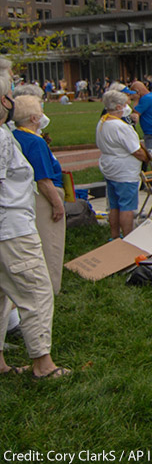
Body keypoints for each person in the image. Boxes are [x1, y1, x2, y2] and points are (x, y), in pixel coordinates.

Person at [0, 60, 70, 379]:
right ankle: (43, 365)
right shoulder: (3, 138)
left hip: (9, 227)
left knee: (3, 295)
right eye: (10, 90)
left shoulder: (7, 134)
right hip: (11, 230)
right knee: (36, 291)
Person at [10, 96, 66, 294]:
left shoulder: (14, 136)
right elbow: (43, 179)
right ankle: (51, 288)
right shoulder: (35, 142)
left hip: (26, 195)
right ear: (34, 118)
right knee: (51, 242)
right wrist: (57, 203)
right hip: (43, 196)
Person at [96, 90, 150, 239]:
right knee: (127, 206)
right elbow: (136, 150)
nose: (128, 107)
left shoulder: (103, 122)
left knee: (114, 206)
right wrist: (147, 158)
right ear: (119, 106)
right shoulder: (120, 127)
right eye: (126, 104)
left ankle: (115, 236)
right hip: (125, 171)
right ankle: (128, 237)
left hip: (110, 168)